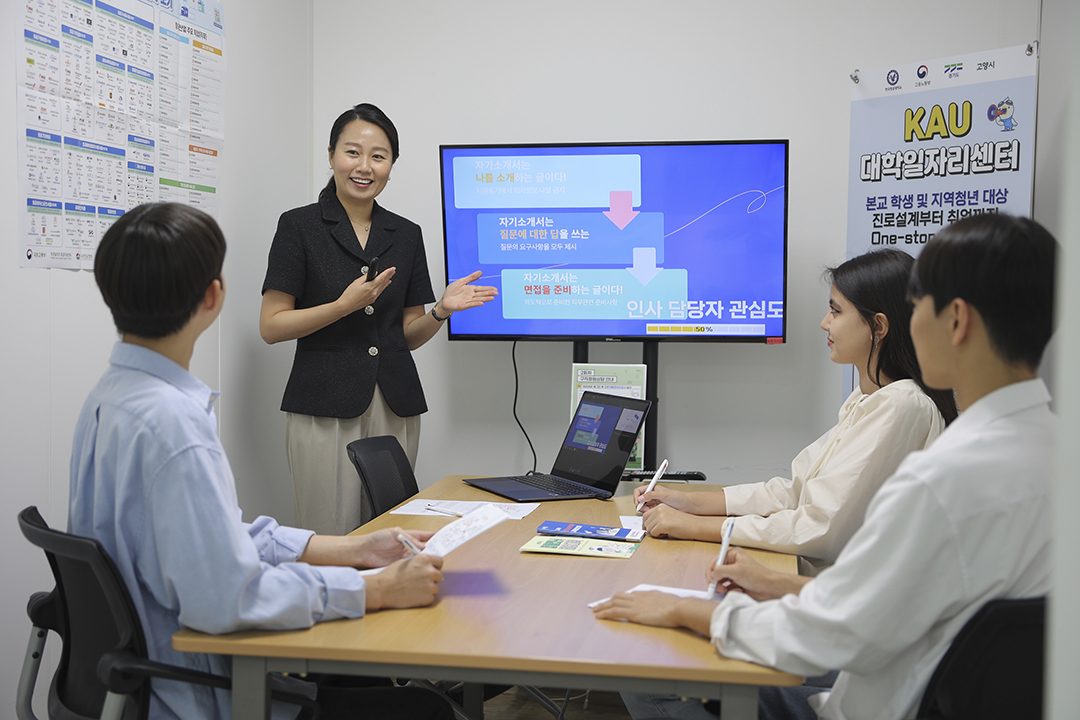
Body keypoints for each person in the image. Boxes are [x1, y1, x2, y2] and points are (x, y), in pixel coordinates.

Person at [595, 213, 1057, 720]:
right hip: (909, 676)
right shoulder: (1050, 449)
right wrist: (771, 580)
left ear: (957, 320)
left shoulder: (939, 477)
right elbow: (886, 595)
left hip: (867, 697)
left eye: (919, 303)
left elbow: (834, 630)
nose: (824, 323)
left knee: (646, 665)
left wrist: (689, 610)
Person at [69, 202, 453, 720]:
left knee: (352, 673)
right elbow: (230, 598)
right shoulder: (174, 425)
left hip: (133, 676)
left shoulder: (109, 397)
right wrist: (375, 588)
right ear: (213, 296)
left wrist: (352, 549)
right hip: (196, 690)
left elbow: (216, 539)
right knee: (423, 709)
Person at [636, 249, 957, 571]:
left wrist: (692, 526)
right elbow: (794, 492)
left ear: (878, 326)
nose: (824, 323)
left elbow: (820, 528)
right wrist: (684, 502)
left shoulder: (902, 405)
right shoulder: (869, 398)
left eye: (836, 311)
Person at [260, 103, 496, 536]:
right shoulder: (298, 226)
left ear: (391, 164)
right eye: (352, 152)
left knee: (392, 530)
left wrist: (440, 311)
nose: (364, 166)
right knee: (328, 532)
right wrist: (341, 307)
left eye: (379, 156)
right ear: (331, 154)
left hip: (394, 403)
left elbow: (407, 334)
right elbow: (271, 326)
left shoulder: (405, 234)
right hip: (323, 404)